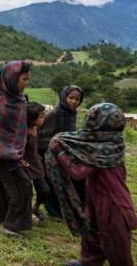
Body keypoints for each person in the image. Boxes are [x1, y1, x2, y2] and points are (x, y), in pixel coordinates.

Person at [46, 103, 136, 266]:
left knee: (117, 250)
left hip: (112, 207)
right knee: (91, 240)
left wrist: (60, 151)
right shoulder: (113, 142)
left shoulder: (100, 150)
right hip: (99, 202)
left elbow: (78, 172)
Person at [0, 60, 32, 238]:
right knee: (22, 187)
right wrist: (4, 153)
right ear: (12, 79)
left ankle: (2, 217)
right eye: (24, 79)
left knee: (6, 188)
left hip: (13, 154)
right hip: (3, 156)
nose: (26, 83)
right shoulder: (1, 104)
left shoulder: (16, 99)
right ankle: (11, 225)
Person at [39, 85, 83, 218]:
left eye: (77, 99)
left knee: (63, 183)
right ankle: (53, 211)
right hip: (50, 154)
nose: (74, 102)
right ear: (64, 97)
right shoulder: (55, 114)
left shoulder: (72, 114)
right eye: (71, 98)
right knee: (52, 183)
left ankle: (61, 209)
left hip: (64, 155)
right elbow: (44, 137)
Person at [22, 101, 49, 220]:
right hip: (26, 165)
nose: (44, 119)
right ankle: (26, 212)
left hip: (36, 164)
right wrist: (20, 160)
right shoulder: (25, 132)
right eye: (41, 116)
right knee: (26, 192)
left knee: (44, 190)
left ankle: (36, 207)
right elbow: (19, 148)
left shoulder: (36, 129)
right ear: (32, 118)